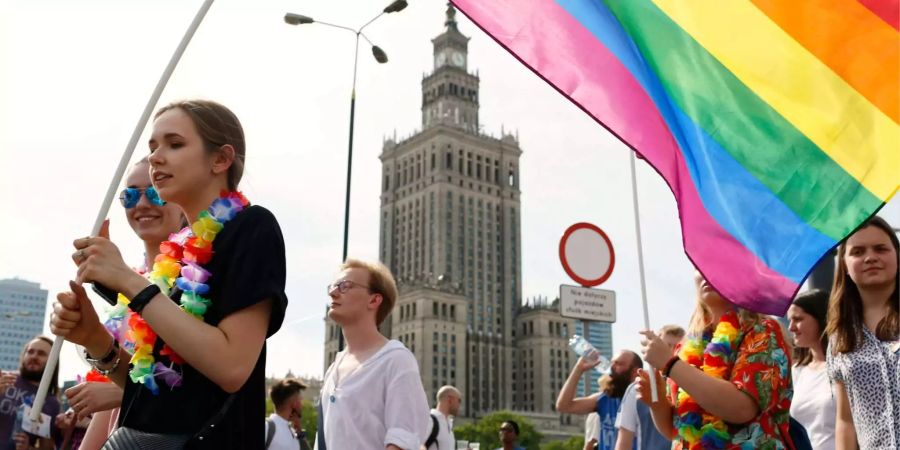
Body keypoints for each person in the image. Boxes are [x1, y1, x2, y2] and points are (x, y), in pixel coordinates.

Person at [50, 99, 288, 449]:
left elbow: (231, 367)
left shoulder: (252, 227)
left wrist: (129, 282)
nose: (156, 159)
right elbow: (156, 394)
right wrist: (93, 339)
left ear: (221, 159)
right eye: (153, 147)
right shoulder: (172, 258)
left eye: (174, 144)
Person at [72, 157, 187, 450]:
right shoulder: (127, 289)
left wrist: (116, 393)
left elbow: (198, 384)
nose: (142, 204)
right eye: (131, 195)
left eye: (155, 192)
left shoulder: (196, 276)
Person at [637, 271, 793, 449]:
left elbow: (741, 408)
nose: (706, 272)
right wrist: (656, 403)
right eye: (699, 267)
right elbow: (674, 430)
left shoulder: (763, 331)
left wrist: (670, 365)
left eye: (717, 264)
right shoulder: (686, 346)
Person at [318, 259, 429, 449]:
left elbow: (403, 439)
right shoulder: (333, 370)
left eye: (345, 286)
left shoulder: (396, 360)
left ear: (374, 300)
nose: (333, 292)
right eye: (333, 286)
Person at [825, 216, 900, 449]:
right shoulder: (840, 337)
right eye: (858, 252)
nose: (870, 257)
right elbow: (845, 420)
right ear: (845, 265)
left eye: (880, 249)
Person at [556, 350, 642, 450]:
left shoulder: (644, 401)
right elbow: (564, 406)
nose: (612, 367)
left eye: (619, 364)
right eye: (612, 363)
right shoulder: (605, 399)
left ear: (635, 372)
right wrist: (578, 369)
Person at [614, 328, 682, 450]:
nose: (671, 351)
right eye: (667, 346)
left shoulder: (690, 388)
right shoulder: (638, 387)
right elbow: (624, 438)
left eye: (677, 347)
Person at [787, 289, 834, 450]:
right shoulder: (797, 371)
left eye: (798, 319)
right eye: (789, 321)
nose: (791, 328)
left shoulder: (846, 366)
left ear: (822, 318)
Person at [0, 336, 61, 450]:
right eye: (30, 352)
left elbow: (47, 447)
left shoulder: (52, 403)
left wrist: (28, 448)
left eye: (41, 353)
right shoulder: (3, 378)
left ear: (52, 362)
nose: (34, 356)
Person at [265, 378, 309, 450]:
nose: (302, 405)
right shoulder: (267, 427)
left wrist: (299, 430)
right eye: (300, 400)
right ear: (295, 403)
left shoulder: (292, 432)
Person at [423, 385, 460, 450]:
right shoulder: (429, 420)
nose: (459, 405)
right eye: (459, 400)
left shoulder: (448, 424)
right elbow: (413, 445)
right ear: (450, 399)